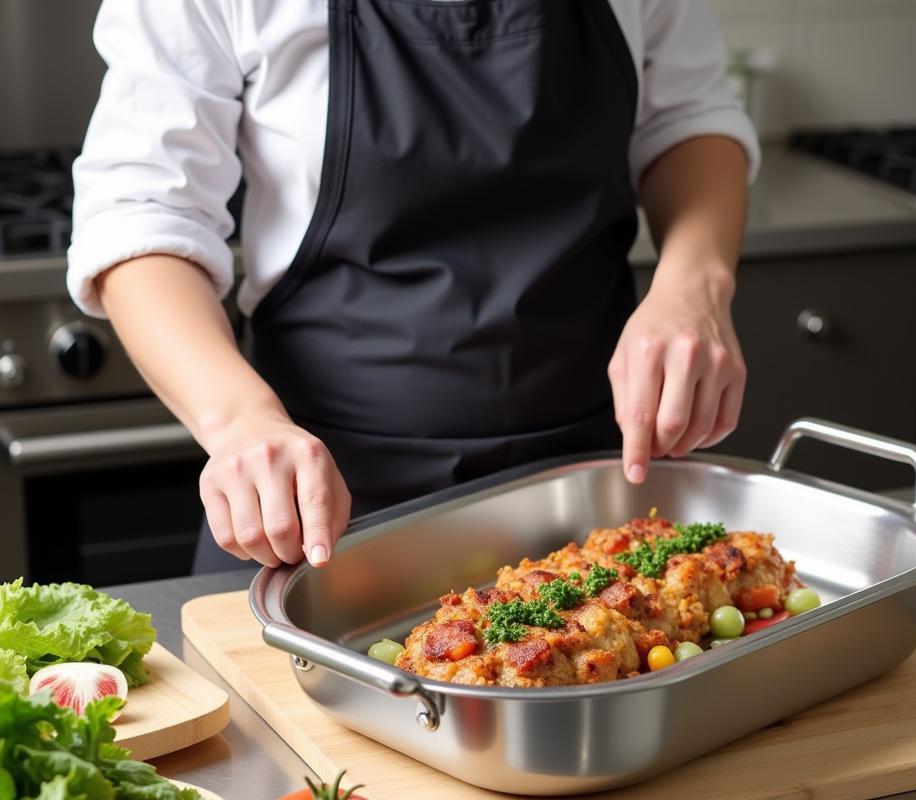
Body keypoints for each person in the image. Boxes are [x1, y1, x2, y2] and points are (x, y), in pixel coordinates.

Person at [68, 0, 759, 574]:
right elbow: (143, 213)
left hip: (594, 494)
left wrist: (693, 287)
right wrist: (238, 422)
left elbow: (687, 119)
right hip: (317, 510)